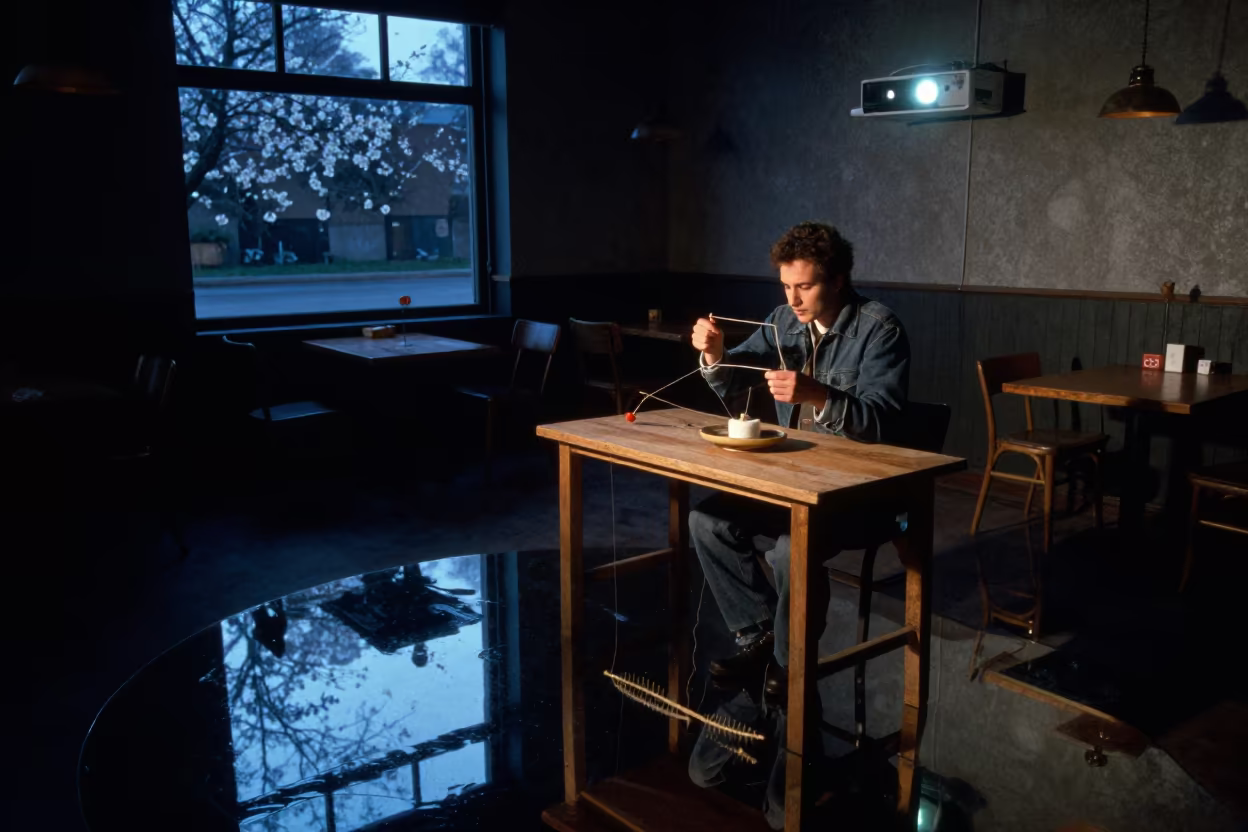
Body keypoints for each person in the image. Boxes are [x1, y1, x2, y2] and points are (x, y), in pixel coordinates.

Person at [688, 221, 910, 702]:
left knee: (793, 549)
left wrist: (819, 396)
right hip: (795, 481)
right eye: (786, 286)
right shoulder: (785, 321)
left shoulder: (880, 329)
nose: (793, 299)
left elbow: (884, 425)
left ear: (837, 280)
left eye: (804, 286)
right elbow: (731, 379)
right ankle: (758, 637)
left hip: (861, 493)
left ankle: (791, 663)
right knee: (707, 520)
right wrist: (714, 353)